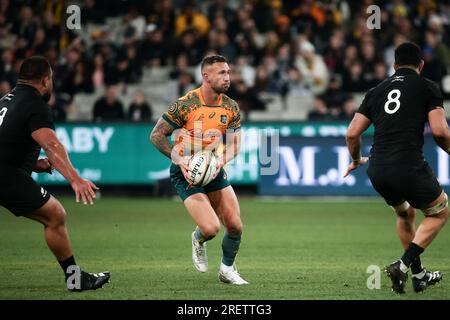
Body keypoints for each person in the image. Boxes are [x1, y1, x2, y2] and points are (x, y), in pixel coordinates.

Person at [344, 42, 448, 294]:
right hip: (408, 165)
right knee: (440, 212)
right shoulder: (428, 87)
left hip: (377, 169)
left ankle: (420, 275)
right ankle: (402, 265)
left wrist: (357, 159)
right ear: (420, 65)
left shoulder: (376, 90)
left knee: (405, 214)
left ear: (393, 66)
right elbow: (439, 131)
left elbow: (351, 134)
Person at [0, 56, 110, 292]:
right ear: (46, 80)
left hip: (8, 171)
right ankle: (75, 279)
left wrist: (34, 165)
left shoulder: (5, 101)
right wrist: (75, 179)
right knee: (55, 216)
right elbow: (51, 145)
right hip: (6, 176)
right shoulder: (36, 104)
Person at [150, 55, 248, 285]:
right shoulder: (186, 104)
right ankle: (198, 238)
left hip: (213, 168)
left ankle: (227, 270)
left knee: (235, 225)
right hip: (186, 172)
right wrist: (180, 160)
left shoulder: (231, 106)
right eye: (221, 73)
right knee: (211, 228)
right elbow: (156, 135)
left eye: (228, 72)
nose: (228, 77)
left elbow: (234, 145)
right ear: (206, 76)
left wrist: (220, 162)